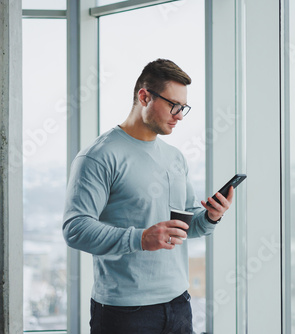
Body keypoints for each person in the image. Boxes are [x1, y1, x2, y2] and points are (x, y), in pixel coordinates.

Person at [63, 58, 234, 334]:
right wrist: (140, 238)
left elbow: (184, 227)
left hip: (179, 305)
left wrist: (211, 217)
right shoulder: (98, 156)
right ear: (144, 96)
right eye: (173, 105)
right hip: (124, 314)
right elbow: (75, 229)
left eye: (184, 108)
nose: (179, 115)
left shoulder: (175, 158)